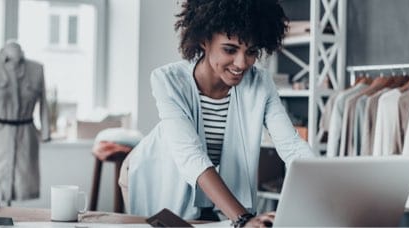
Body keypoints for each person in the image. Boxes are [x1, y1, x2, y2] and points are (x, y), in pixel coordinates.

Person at [119, 0, 315, 226]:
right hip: (155, 172)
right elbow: (192, 157)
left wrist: (324, 190)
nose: (241, 63)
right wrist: (243, 219)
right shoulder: (167, 80)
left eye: (251, 51)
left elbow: (292, 146)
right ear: (204, 40)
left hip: (205, 183)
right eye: (229, 49)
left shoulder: (260, 84)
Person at [0, 40, 50, 205]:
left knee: (20, 185)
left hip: (25, 136)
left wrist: (46, 132)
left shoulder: (37, 69)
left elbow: (44, 104)